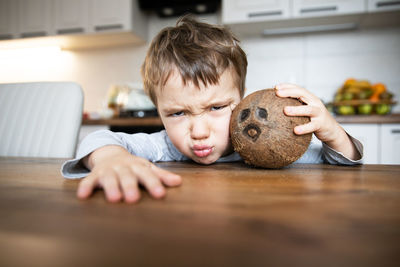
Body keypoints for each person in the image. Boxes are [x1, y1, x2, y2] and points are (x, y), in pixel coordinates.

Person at [61, 16, 363, 203]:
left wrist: (334, 134)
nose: (200, 132)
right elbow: (100, 138)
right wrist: (111, 159)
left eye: (217, 107)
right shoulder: (166, 146)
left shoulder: (276, 147)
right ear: (160, 110)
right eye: (178, 113)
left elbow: (339, 164)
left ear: (242, 99)